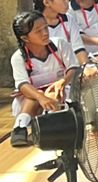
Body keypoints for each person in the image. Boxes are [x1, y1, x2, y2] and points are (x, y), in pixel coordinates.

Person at [9, 12, 70, 149]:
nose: (45, 33)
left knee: (55, 94)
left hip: (60, 90)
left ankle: (48, 126)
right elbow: (23, 84)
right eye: (38, 31)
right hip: (33, 97)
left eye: (46, 28)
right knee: (32, 97)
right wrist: (41, 97)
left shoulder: (60, 44)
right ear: (25, 38)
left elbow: (73, 68)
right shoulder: (18, 57)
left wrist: (63, 81)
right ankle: (20, 127)